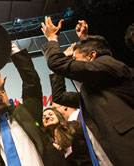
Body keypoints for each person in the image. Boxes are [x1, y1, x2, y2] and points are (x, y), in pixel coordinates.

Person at [41, 16, 134, 165]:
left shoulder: (109, 65)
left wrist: (52, 38)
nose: (73, 63)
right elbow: (59, 96)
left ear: (92, 57)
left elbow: (56, 63)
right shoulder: (94, 89)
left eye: (75, 60)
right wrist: (85, 39)